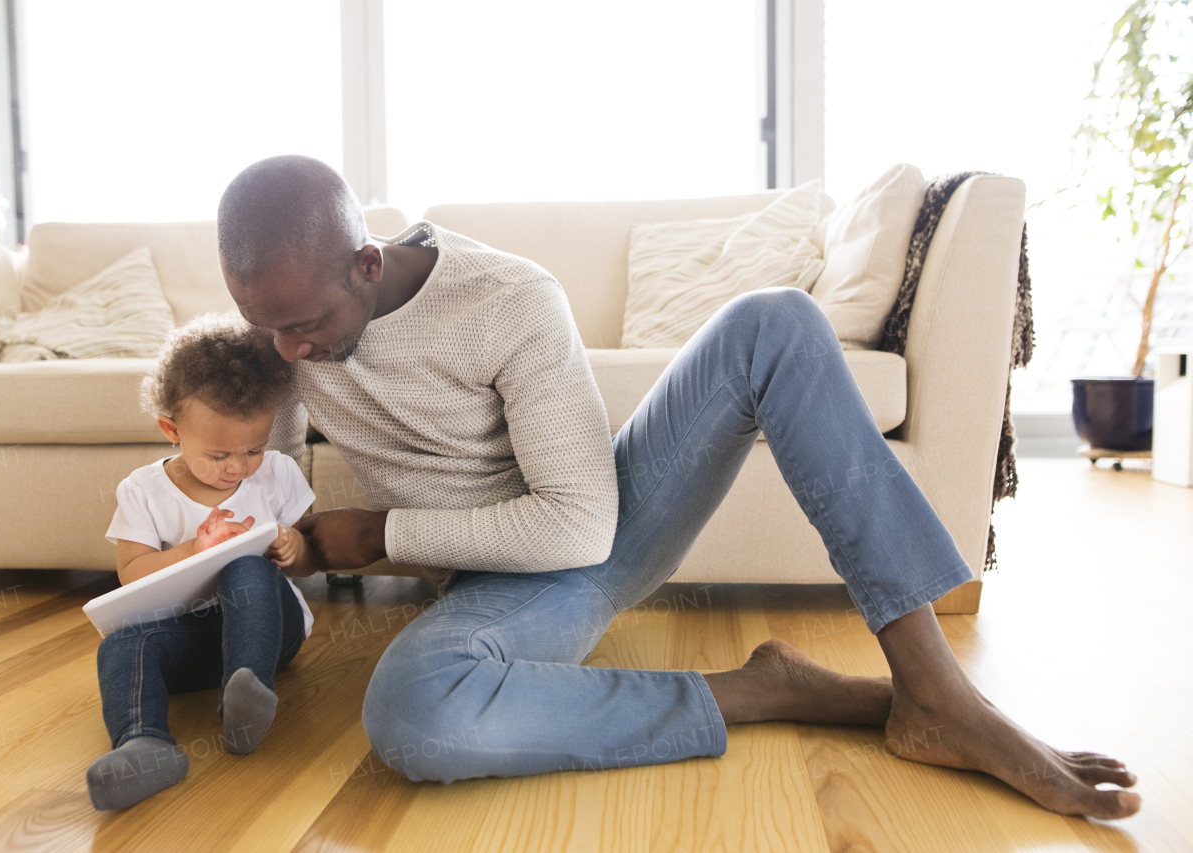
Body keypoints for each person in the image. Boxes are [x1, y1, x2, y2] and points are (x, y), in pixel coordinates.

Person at [218, 154, 1140, 820]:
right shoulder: (284, 329)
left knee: (773, 322)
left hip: (593, 531)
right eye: (269, 331)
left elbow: (579, 526)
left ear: (366, 265)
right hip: (487, 591)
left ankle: (936, 689)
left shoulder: (508, 299)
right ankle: (776, 690)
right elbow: (275, 485)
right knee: (410, 711)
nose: (290, 353)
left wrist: (384, 534)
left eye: (305, 325)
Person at [86, 312, 319, 811]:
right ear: (172, 430)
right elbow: (131, 574)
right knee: (121, 647)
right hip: (198, 637)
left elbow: (308, 554)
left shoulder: (275, 474)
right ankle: (143, 745)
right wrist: (196, 549)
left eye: (253, 449)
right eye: (218, 455)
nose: (238, 467)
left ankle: (247, 692)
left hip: (270, 631)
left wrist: (293, 547)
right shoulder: (144, 491)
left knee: (248, 566)